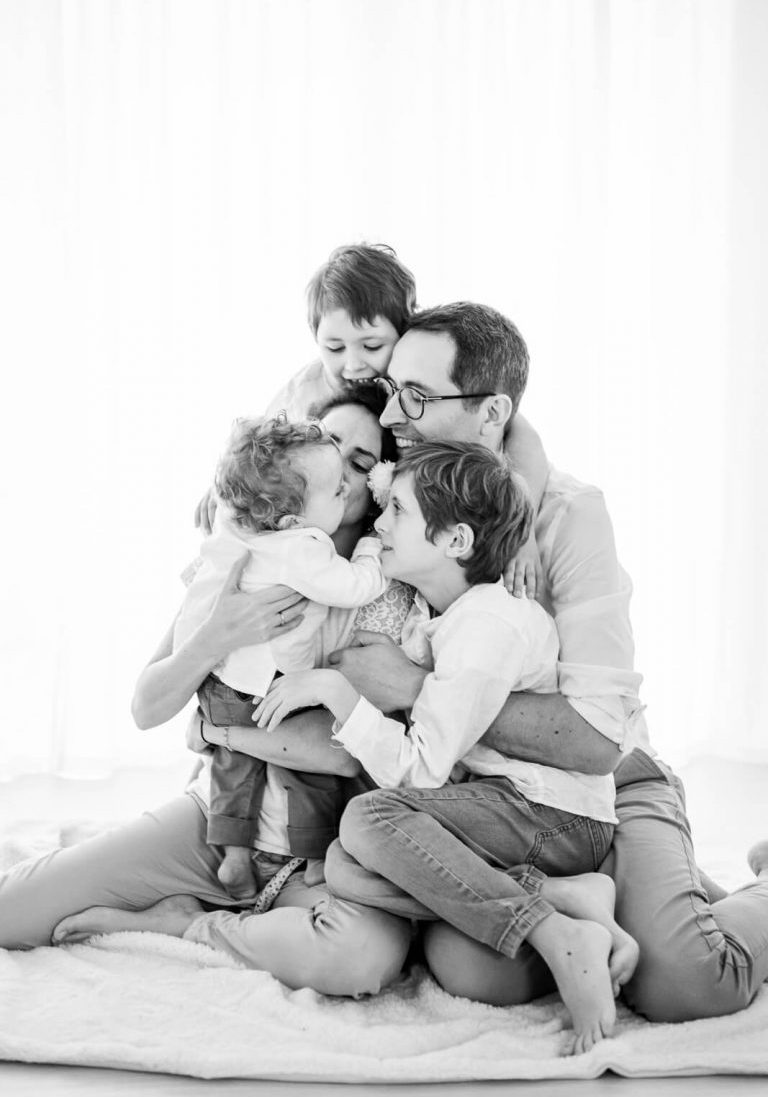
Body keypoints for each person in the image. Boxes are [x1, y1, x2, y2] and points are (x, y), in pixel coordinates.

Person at [319, 302, 768, 1023]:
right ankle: (575, 902)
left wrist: (412, 686)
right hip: (494, 798)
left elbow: (595, 739)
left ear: (492, 412)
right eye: (392, 391)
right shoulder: (393, 484)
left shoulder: (569, 516)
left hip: (608, 783)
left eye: (419, 397)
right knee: (478, 972)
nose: (394, 413)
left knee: (688, 983)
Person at [0, 389, 412, 999]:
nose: (340, 472)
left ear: (381, 478)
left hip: (322, 849)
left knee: (360, 961)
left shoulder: (383, 585)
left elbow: (339, 753)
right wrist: (217, 635)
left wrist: (220, 731)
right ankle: (210, 895)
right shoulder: (239, 566)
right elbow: (147, 707)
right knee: (13, 913)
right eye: (328, 445)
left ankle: (185, 923)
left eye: (359, 460)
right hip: (214, 824)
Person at [258, 440, 637, 1053]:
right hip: (503, 809)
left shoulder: (487, 623)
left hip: (553, 816)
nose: (378, 524)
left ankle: (554, 931)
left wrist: (337, 691)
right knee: (347, 862)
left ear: (456, 541)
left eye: (398, 511)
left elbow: (421, 772)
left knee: (369, 819)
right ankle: (557, 898)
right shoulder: (446, 616)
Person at [196, 242, 548, 599]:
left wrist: (523, 529)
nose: (353, 365)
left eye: (372, 346)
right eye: (334, 348)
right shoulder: (306, 391)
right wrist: (229, 486)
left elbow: (517, 432)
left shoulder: (430, 383)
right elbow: (258, 449)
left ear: (404, 330)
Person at [175, 413, 386, 897]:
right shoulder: (304, 548)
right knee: (307, 772)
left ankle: (232, 855)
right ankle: (314, 854)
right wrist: (371, 549)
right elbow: (354, 587)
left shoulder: (238, 524)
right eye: (335, 491)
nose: (347, 491)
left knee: (233, 766)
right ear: (293, 520)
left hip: (223, 678)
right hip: (278, 683)